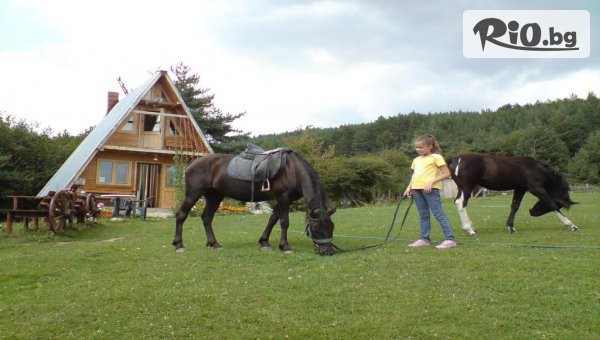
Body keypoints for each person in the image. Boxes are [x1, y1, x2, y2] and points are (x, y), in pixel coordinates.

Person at [404, 134, 457, 249]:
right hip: (417, 190)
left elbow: (447, 173)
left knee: (438, 213)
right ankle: (424, 239)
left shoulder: (436, 157)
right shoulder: (416, 160)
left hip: (430, 190)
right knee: (423, 215)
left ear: (430, 146)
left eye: (421, 147)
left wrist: (431, 182)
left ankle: (450, 239)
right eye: (417, 147)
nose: (418, 149)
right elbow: (415, 175)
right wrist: (409, 187)